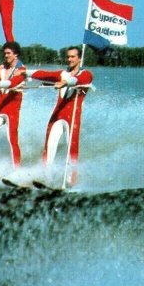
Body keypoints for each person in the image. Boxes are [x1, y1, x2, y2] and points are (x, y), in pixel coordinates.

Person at [26, 46, 94, 186]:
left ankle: (71, 180)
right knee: (49, 146)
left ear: (79, 58)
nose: (69, 59)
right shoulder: (62, 73)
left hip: (73, 116)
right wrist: (25, 73)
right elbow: (43, 74)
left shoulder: (86, 74)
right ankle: (46, 177)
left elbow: (76, 81)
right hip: (57, 115)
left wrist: (65, 82)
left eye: (73, 57)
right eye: (68, 57)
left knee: (72, 148)